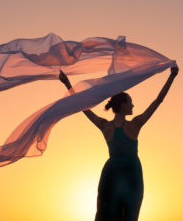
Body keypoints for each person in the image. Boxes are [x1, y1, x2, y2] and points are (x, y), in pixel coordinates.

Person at [59, 65, 179, 221]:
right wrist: (172, 76)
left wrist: (67, 84)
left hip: (119, 172)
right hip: (127, 172)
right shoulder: (135, 124)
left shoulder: (106, 126)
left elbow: (81, 105)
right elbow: (158, 101)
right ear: (123, 105)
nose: (133, 105)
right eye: (130, 102)